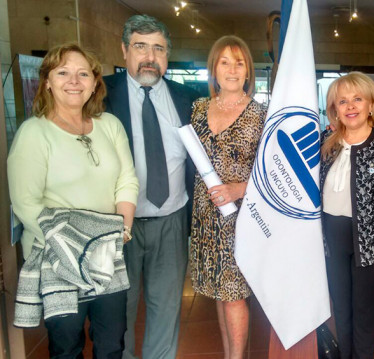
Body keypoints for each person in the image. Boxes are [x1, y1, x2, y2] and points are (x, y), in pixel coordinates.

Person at [8, 43, 138, 357]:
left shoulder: (110, 126)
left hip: (108, 252)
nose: (74, 81)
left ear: (95, 83)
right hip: (58, 258)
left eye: (83, 73)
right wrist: (78, 246)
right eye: (63, 72)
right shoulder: (34, 133)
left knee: (112, 342)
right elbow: (26, 203)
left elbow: (127, 181)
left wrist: (121, 232)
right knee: (66, 345)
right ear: (47, 82)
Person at [103, 15, 200, 359]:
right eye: (141, 46)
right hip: (117, 225)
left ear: (167, 54)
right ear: (125, 50)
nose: (149, 56)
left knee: (166, 310)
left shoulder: (189, 99)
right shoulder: (100, 95)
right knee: (118, 312)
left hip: (172, 221)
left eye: (158, 48)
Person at [320, 72, 374, 359]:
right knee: (341, 311)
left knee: (365, 316)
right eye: (342, 101)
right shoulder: (326, 141)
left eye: (357, 98)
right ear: (334, 109)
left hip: (371, 246)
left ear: (371, 104)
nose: (350, 106)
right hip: (332, 242)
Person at [189, 35, 266, 359]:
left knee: (234, 294)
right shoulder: (198, 108)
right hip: (206, 216)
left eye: (239, 63)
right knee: (219, 294)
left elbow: (272, 173)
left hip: (241, 217)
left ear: (248, 70)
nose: (232, 70)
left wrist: (239, 189)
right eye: (225, 62)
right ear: (213, 69)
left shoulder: (261, 113)